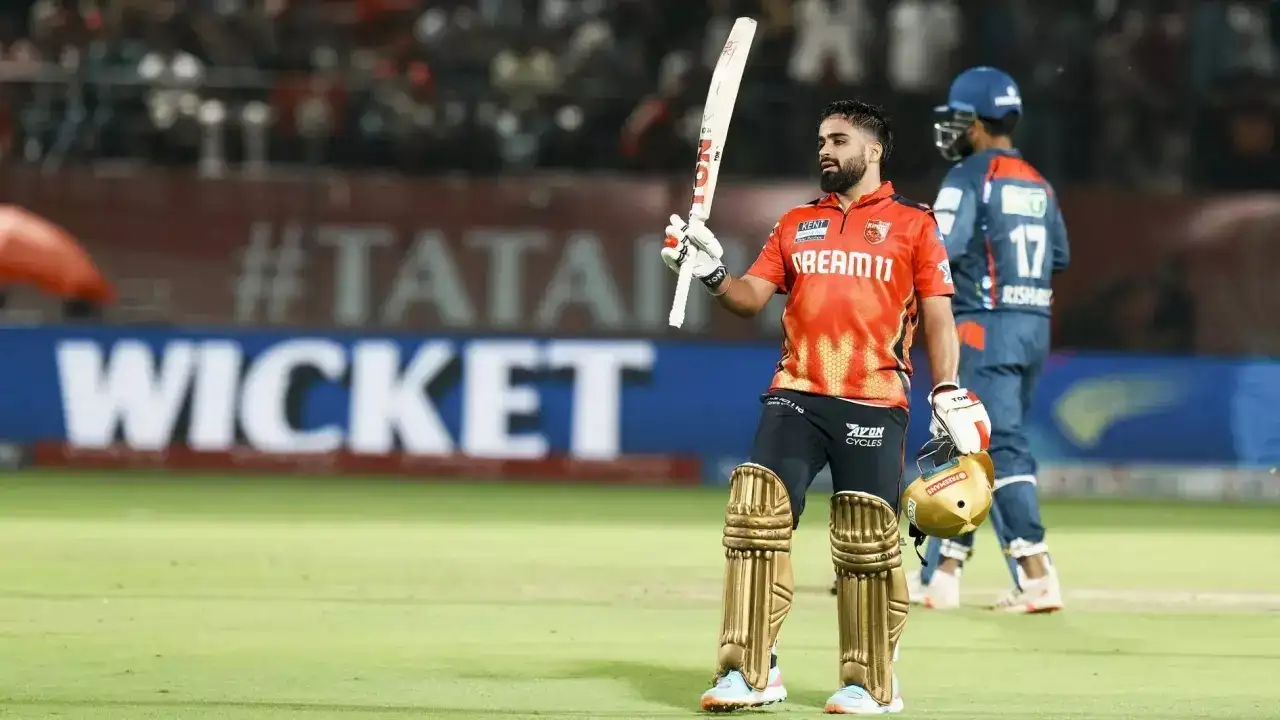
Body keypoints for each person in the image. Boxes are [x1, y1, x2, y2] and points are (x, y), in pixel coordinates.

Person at [660, 100, 992, 715]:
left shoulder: (914, 225)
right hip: (796, 392)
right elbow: (748, 299)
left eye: (838, 140)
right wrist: (711, 273)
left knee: (867, 538)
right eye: (821, 140)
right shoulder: (796, 223)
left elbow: (939, 314)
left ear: (873, 150)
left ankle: (870, 682)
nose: (825, 150)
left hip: (875, 398)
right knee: (755, 518)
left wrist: (947, 388)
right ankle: (750, 672)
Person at [910, 67, 1071, 613]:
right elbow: (1060, 256)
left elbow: (941, 248)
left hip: (984, 325)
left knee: (995, 447)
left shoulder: (968, 176)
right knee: (968, 445)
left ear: (974, 122)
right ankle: (942, 573)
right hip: (1033, 326)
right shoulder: (1038, 182)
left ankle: (1036, 573)